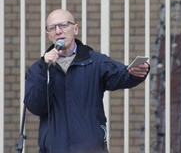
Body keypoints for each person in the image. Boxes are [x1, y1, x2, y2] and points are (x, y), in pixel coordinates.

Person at [24, 9, 150, 153]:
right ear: (48, 35)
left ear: (75, 29)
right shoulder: (38, 69)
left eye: (63, 25)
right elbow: (35, 106)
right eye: (52, 28)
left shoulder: (94, 61)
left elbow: (121, 75)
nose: (58, 31)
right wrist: (44, 68)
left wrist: (135, 73)